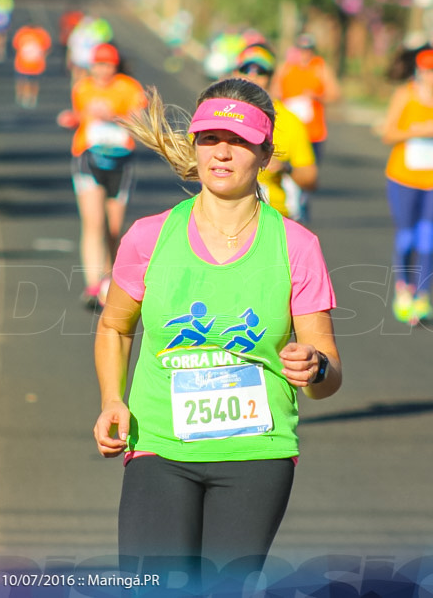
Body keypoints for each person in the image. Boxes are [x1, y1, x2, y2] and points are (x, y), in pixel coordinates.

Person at [92, 78, 342, 587]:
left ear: (265, 153)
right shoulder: (149, 237)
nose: (222, 153)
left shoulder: (296, 245)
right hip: (159, 443)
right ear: (195, 147)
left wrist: (314, 367)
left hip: (257, 452)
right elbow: (115, 327)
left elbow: (328, 375)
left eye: (239, 141)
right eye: (209, 138)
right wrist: (112, 400)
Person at [380, 47, 433, 326]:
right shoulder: (405, 95)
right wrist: (419, 130)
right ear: (419, 72)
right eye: (430, 71)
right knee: (407, 236)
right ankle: (403, 289)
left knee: (429, 236)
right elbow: (388, 133)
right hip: (404, 177)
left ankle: (423, 296)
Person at [69, 43, 147, 307]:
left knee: (113, 229)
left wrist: (114, 115)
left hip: (120, 161)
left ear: (115, 65)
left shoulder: (128, 88)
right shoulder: (83, 87)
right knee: (93, 222)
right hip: (89, 157)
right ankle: (94, 286)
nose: (102, 70)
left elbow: (139, 118)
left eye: (107, 64)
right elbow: (80, 115)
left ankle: (111, 282)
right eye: (98, 64)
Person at [233, 43, 318, 219]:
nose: (252, 77)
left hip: (274, 215)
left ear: (272, 77)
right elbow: (191, 160)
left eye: (260, 72)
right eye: (246, 69)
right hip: (227, 214)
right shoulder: (219, 113)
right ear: (235, 73)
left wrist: (284, 168)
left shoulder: (289, 121)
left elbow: (310, 179)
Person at [271, 33, 340, 222]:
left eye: (308, 50)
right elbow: (274, 91)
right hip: (289, 131)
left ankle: (301, 202)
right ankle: (290, 206)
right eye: (301, 50)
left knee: (308, 175)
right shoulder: (286, 68)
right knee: (283, 170)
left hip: (313, 133)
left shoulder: (320, 68)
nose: (304, 54)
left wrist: (317, 97)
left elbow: (335, 94)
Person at [12, 23, 51, 108]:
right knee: (24, 81)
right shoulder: (23, 32)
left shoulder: (40, 34)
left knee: (32, 82)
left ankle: (31, 98)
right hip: (24, 63)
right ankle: (24, 97)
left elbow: (46, 47)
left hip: (35, 64)